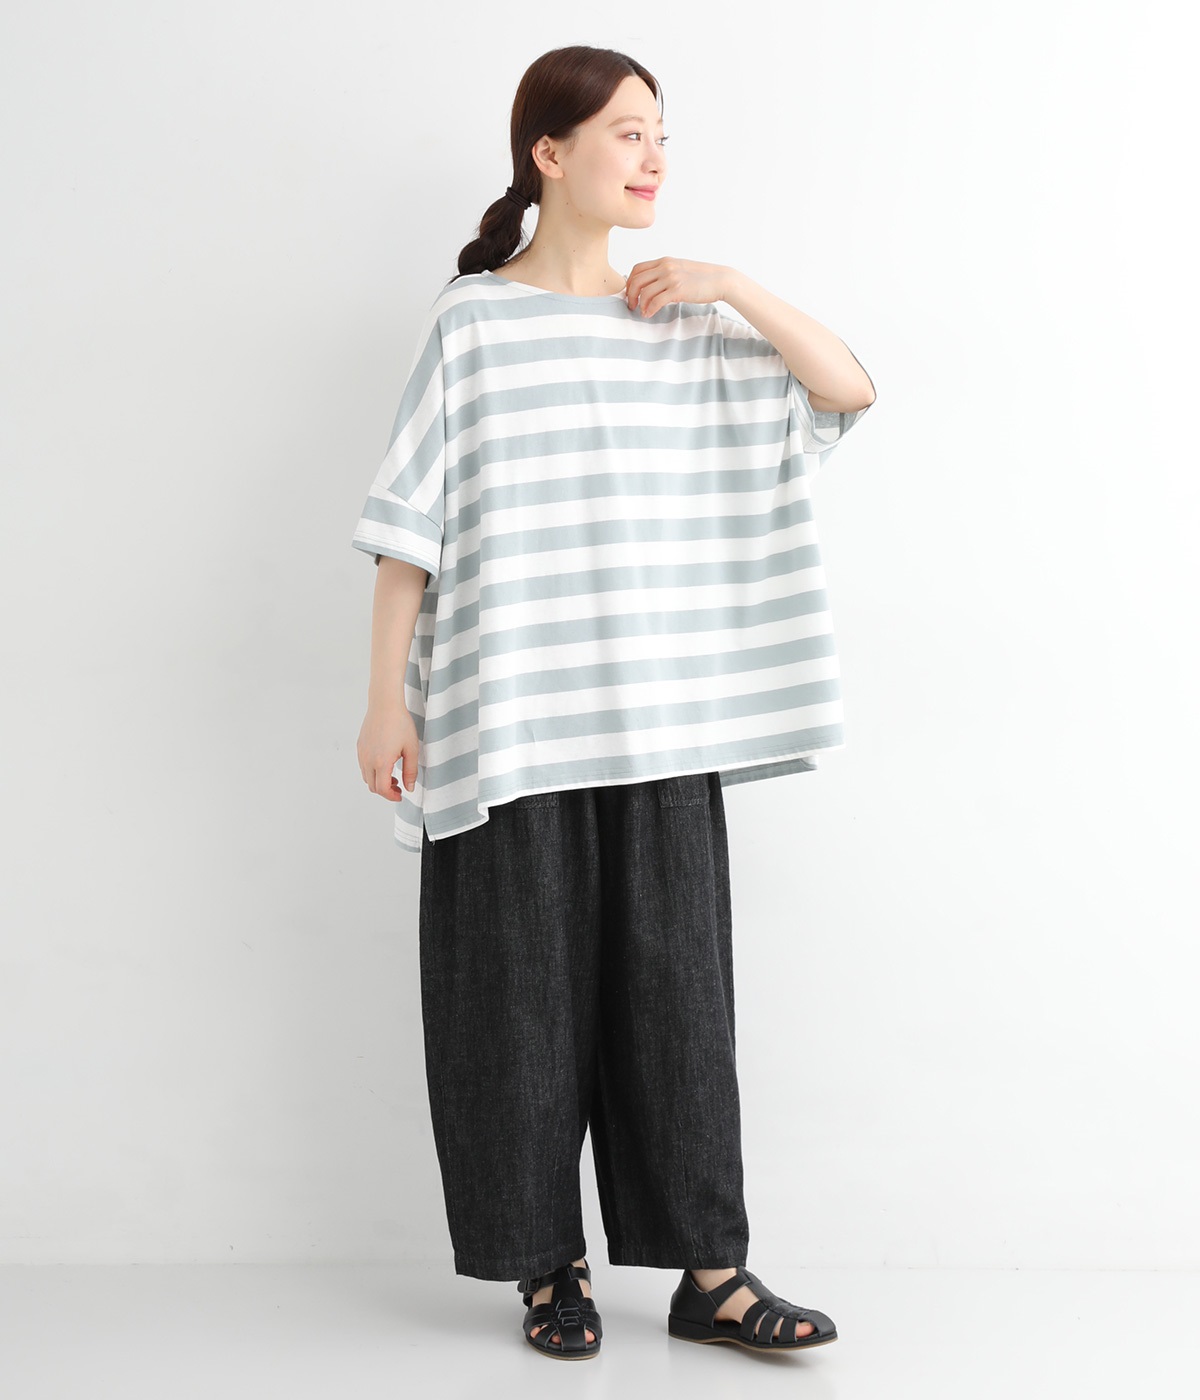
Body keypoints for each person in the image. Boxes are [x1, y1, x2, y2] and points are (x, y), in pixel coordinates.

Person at [353, 44, 875, 1361]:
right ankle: (549, 1271)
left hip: (660, 723)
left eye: (661, 136)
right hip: (510, 724)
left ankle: (714, 1276)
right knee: (515, 1008)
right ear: (551, 153)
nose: (652, 158)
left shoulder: (689, 323)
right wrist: (384, 704)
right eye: (628, 133)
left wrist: (731, 284)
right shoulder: (474, 324)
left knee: (679, 1007)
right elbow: (411, 527)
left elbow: (848, 389)